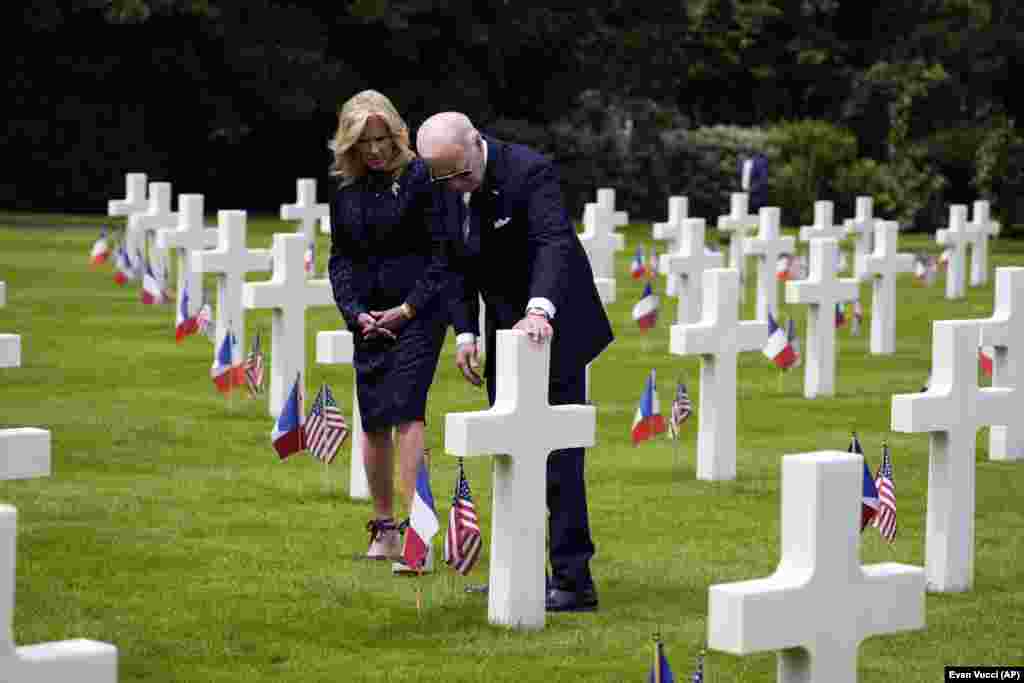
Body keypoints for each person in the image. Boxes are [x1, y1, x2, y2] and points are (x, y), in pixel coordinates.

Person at [416, 112, 614, 612]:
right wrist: (463, 332)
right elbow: (451, 263)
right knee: (510, 452)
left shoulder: (530, 170)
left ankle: (573, 580)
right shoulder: (444, 182)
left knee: (558, 459)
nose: (455, 186)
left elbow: (554, 243)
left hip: (555, 321)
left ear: (476, 143)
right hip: (504, 329)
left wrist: (538, 310)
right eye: (444, 178)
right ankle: (519, 570)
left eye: (461, 173)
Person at [327, 90, 451, 571]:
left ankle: (418, 533)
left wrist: (408, 308)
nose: (376, 150)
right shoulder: (347, 193)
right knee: (374, 418)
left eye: (382, 139)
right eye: (365, 142)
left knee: (408, 412)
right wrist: (355, 312)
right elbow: (341, 259)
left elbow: (441, 252)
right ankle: (384, 530)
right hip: (368, 318)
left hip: (417, 313)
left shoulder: (422, 179)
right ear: (350, 145)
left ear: (397, 134)